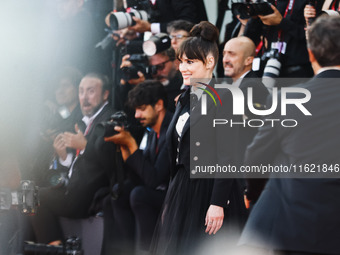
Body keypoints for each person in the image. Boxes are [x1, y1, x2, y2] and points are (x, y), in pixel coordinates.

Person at [239, 16, 340, 255]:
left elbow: (256, 157)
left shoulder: (287, 99)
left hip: (288, 226)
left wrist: (251, 193)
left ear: (311, 54)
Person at [151, 21, 247, 255]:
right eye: (181, 61)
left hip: (210, 191)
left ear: (210, 62)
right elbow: (177, 154)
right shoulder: (183, 99)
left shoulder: (224, 98)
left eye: (191, 62)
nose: (183, 67)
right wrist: (170, 200)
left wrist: (217, 203)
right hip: (182, 190)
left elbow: (228, 157)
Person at [30, 73, 116, 244]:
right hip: (73, 189)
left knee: (31, 196)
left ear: (105, 94)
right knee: (29, 193)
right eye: (81, 91)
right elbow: (77, 163)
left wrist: (85, 146)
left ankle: (55, 248)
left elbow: (110, 162)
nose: (84, 97)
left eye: (91, 91)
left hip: (91, 196)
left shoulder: (110, 120)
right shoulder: (82, 120)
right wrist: (64, 157)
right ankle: (54, 245)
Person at [104, 80, 172, 255]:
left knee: (139, 195)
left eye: (141, 108)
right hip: (156, 190)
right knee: (118, 193)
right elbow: (141, 175)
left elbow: (155, 179)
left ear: (158, 105)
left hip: (175, 194)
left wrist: (132, 145)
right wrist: (126, 153)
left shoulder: (172, 130)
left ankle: (147, 251)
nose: (136, 115)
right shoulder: (150, 130)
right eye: (135, 110)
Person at [222, 36, 269, 166]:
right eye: (224, 54)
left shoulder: (252, 87)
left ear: (249, 60)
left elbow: (246, 135)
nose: (225, 60)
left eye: (231, 54)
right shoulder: (240, 86)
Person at [118, 47, 182, 113]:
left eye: (160, 66)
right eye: (152, 68)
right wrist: (125, 82)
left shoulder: (186, 85)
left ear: (176, 63)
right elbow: (131, 114)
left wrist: (147, 88)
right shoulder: (147, 81)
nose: (156, 72)